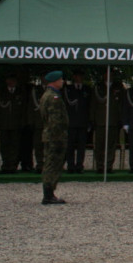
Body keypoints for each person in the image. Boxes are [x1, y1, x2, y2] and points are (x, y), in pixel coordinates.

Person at [39, 71, 68, 205]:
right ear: (54, 81)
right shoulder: (53, 97)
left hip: (49, 134)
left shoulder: (47, 95)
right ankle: (48, 194)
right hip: (55, 136)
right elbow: (55, 120)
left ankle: (49, 193)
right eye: (60, 79)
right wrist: (58, 136)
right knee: (53, 164)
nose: (62, 81)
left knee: (50, 163)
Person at [0, 73, 27, 173]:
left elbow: (23, 109)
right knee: (4, 146)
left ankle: (12, 165)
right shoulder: (1, 92)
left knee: (15, 145)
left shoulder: (20, 92)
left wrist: (23, 122)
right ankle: (5, 165)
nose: (11, 82)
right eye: (9, 80)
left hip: (16, 124)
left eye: (13, 80)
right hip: (4, 123)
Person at [91, 69, 123, 173]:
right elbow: (92, 105)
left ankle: (109, 166)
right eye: (107, 73)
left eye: (111, 73)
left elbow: (121, 105)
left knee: (111, 145)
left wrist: (120, 120)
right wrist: (92, 120)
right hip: (100, 121)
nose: (109, 75)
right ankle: (100, 166)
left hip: (113, 120)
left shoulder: (118, 87)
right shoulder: (98, 87)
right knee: (99, 144)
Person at [63, 69, 91, 173]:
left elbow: (89, 106)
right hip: (70, 122)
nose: (79, 78)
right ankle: (70, 165)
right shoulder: (68, 89)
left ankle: (79, 165)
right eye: (77, 76)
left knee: (81, 146)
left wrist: (89, 121)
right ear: (74, 77)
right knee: (69, 146)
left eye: (81, 76)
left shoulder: (87, 90)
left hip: (83, 122)